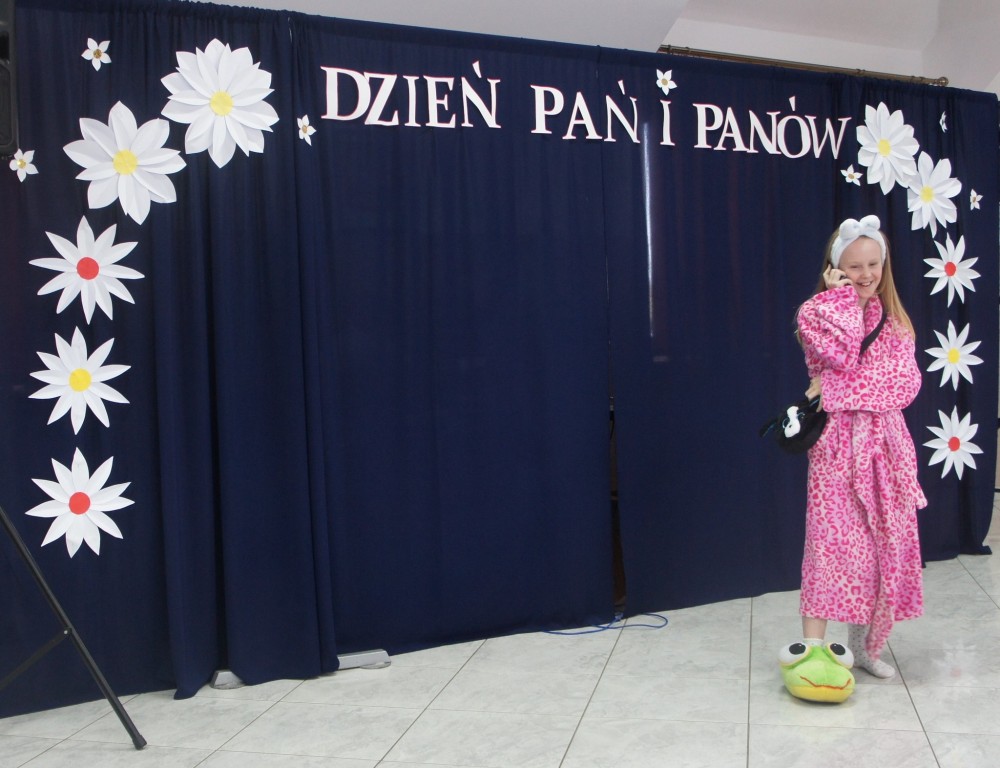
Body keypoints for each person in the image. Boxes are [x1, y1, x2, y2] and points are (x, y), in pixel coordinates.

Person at [794, 214, 926, 680]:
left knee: (881, 547)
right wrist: (841, 300)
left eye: (873, 264)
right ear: (835, 268)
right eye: (854, 266)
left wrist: (833, 389)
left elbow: (904, 386)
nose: (866, 274)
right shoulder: (816, 313)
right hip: (835, 448)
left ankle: (865, 647)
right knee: (827, 546)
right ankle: (812, 653)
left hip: (887, 448)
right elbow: (844, 353)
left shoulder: (897, 323)